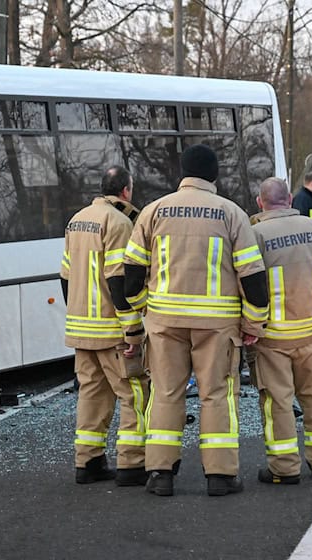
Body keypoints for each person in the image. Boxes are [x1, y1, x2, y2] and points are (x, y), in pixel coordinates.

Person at [123, 144, 269, 497]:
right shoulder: (231, 214)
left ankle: (160, 474)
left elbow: (129, 274)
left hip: (164, 321)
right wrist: (253, 323)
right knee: (216, 395)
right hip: (217, 325)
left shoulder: (154, 211)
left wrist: (146, 307)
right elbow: (253, 279)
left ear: (182, 173)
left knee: (165, 393)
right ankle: (220, 476)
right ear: (214, 174)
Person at [61, 166, 151, 486]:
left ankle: (88, 461)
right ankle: (132, 463)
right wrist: (133, 331)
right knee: (134, 394)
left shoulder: (77, 219)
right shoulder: (119, 222)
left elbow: (66, 276)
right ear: (126, 191)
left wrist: (75, 315)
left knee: (91, 394)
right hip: (110, 330)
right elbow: (118, 282)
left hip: (81, 328)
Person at [250, 177, 312, 484]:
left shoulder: (255, 235)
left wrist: (250, 325)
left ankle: (284, 468)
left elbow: (247, 285)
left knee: (277, 401)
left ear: (259, 202)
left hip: (273, 336)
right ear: (290, 199)